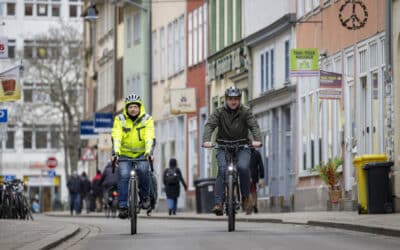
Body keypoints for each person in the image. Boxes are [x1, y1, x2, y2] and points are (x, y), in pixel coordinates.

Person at [202, 86, 262, 215]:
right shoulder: (219, 112)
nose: (233, 102)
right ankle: (218, 203)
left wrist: (257, 140)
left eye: (235, 99)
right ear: (226, 100)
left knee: (243, 167)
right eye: (230, 99)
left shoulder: (245, 112)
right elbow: (210, 125)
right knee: (222, 170)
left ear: (239, 100)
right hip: (223, 146)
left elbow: (254, 126)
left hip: (242, 146)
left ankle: (245, 197)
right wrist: (207, 140)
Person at [111, 94, 156, 219]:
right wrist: (116, 152)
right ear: (126, 108)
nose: (133, 109)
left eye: (135, 106)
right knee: (124, 175)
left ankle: (145, 198)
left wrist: (149, 153)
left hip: (142, 153)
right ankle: (123, 206)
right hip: (124, 153)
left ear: (140, 107)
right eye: (130, 107)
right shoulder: (120, 119)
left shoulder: (147, 119)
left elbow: (149, 136)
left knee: (143, 170)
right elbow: (117, 136)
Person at [249, 148, 264, 213]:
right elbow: (260, 165)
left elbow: (260, 165)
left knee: (249, 191)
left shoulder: (244, 153)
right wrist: (261, 176)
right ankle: (254, 204)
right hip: (253, 174)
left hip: (248, 174)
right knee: (253, 190)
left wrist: (261, 177)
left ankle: (251, 205)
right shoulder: (257, 153)